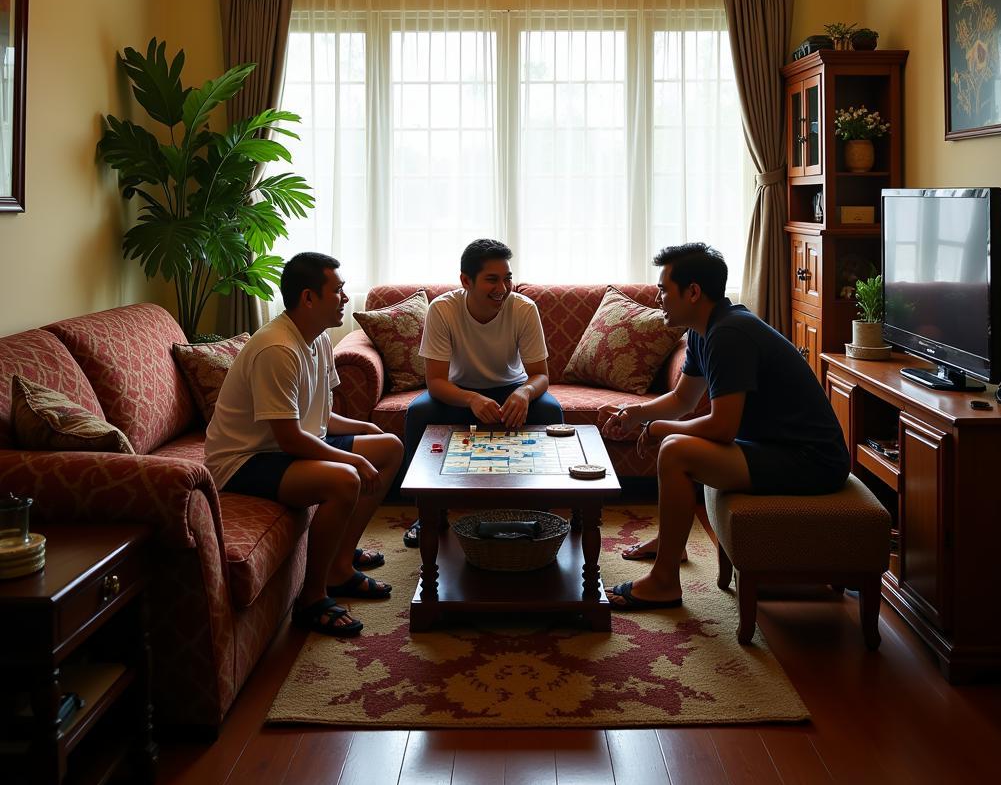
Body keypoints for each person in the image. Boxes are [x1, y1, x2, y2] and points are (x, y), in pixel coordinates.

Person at [599, 242, 850, 610]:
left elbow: (722, 427)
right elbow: (682, 400)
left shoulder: (729, 335)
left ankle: (664, 581)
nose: (658, 299)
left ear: (693, 292)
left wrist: (660, 430)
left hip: (811, 461)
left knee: (675, 451)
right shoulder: (705, 330)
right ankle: (672, 544)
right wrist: (634, 415)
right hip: (777, 448)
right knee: (673, 446)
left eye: (664, 290)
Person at [204, 252, 404, 637]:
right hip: (245, 460)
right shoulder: (277, 348)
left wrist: (366, 428)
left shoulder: (318, 340)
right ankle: (311, 600)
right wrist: (351, 458)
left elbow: (322, 417)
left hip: (285, 447)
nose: (345, 298)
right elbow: (290, 436)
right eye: (338, 290)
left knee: (390, 446)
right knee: (345, 479)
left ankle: (340, 565)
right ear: (309, 297)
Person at [402, 238, 563, 546]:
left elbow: (541, 374)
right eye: (492, 279)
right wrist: (471, 398)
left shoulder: (524, 308)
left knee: (550, 411)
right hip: (458, 392)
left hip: (512, 389)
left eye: (507, 278)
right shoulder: (443, 309)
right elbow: (435, 381)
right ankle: (428, 515)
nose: (502, 288)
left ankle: (541, 513)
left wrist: (525, 393)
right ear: (466, 280)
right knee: (418, 413)